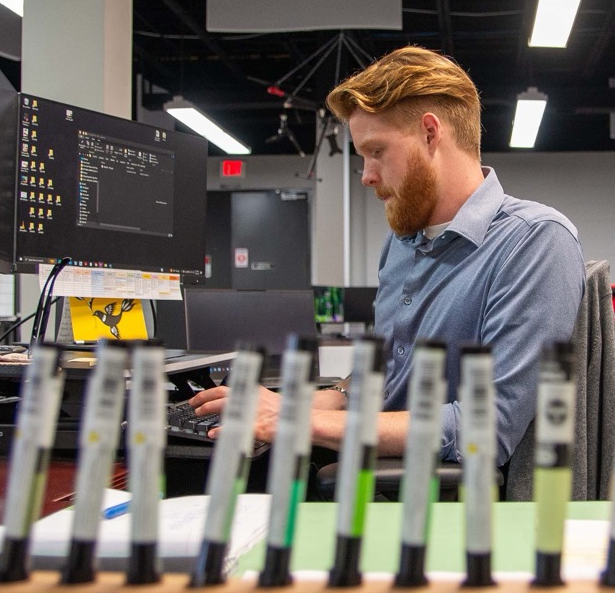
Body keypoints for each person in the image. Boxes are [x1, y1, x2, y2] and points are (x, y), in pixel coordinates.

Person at [189, 46, 584, 467]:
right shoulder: (402, 242)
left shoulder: (534, 242)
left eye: (376, 151)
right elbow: (388, 377)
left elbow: (487, 428)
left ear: (431, 134)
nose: (365, 175)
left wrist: (297, 420)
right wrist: (321, 399)